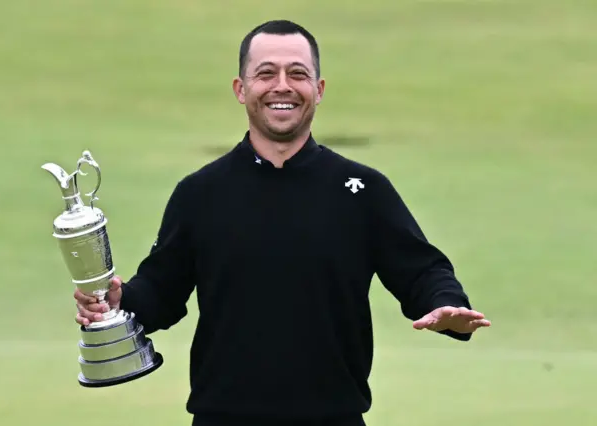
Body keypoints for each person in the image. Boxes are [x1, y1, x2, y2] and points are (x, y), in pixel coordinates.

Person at [74, 19, 491, 426]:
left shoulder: (362, 190)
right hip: (223, 418)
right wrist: (119, 303)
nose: (282, 86)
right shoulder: (201, 194)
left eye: (298, 74)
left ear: (319, 89)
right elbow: (162, 291)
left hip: (334, 417)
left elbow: (422, 270)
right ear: (241, 89)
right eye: (265, 73)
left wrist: (444, 303)